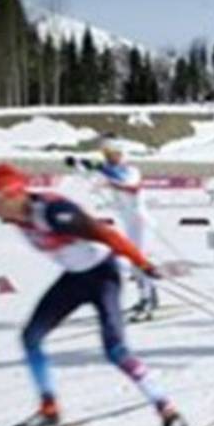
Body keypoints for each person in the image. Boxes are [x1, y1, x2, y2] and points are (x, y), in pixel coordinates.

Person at [0, 163, 185, 426]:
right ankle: (49, 410)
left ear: (12, 194)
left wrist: (143, 265)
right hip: (74, 279)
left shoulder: (55, 213)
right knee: (31, 337)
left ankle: (170, 412)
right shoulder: (18, 217)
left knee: (116, 351)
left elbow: (108, 235)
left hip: (103, 277)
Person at [67, 136, 159, 320]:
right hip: (130, 223)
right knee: (135, 262)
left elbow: (128, 184)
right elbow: (89, 175)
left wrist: (101, 169)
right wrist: (77, 164)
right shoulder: (110, 171)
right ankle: (149, 296)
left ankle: (147, 301)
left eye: (112, 154)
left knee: (139, 261)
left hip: (141, 222)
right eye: (106, 155)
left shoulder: (131, 171)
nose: (109, 158)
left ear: (121, 154)